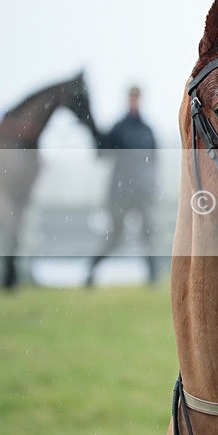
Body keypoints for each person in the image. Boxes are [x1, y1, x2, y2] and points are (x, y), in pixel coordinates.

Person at [86, 85, 158, 287]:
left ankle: (152, 279)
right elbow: (102, 153)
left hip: (142, 191)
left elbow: (154, 161)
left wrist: (152, 186)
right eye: (132, 98)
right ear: (128, 100)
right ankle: (91, 268)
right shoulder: (118, 128)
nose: (134, 101)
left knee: (148, 234)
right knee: (115, 236)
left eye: (137, 98)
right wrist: (93, 131)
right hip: (120, 191)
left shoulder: (147, 131)